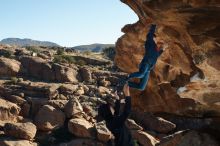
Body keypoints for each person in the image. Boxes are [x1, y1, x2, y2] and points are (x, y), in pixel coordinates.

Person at [127, 24, 168, 91]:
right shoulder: (150, 42)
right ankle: (128, 76)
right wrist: (154, 25)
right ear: (153, 38)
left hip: (148, 68)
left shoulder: (156, 49)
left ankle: (127, 83)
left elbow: (157, 55)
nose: (156, 39)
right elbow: (150, 34)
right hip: (145, 63)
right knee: (141, 74)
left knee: (141, 87)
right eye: (155, 38)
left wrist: (163, 49)